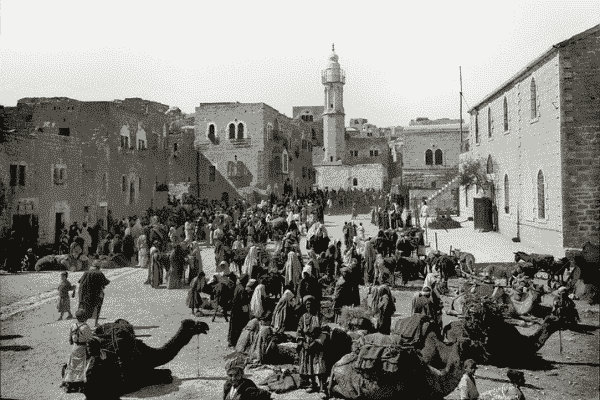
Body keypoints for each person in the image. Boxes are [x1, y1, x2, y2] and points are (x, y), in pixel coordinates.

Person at [296, 295, 327, 394]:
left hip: (317, 346)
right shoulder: (303, 318)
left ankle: (322, 386)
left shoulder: (320, 317)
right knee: (308, 365)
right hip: (307, 345)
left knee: (319, 365)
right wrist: (303, 343)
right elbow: (299, 332)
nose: (309, 306)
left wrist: (317, 342)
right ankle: (312, 384)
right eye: (307, 304)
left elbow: (325, 332)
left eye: (310, 304)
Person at [60, 309, 94, 393]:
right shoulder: (86, 327)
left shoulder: (73, 325)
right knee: (83, 365)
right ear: (85, 317)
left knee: (72, 365)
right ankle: (80, 384)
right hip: (83, 348)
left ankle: (69, 382)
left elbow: (70, 341)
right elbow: (90, 339)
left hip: (75, 348)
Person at [78, 262, 110, 327]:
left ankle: (83, 323)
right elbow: (106, 282)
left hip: (84, 294)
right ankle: (96, 323)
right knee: (98, 307)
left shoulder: (86, 272)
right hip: (95, 294)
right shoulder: (99, 273)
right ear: (98, 267)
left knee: (84, 308)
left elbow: (79, 281)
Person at [228, 274, 251, 348]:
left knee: (233, 326)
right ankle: (235, 342)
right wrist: (247, 314)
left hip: (234, 309)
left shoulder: (238, 287)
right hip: (239, 311)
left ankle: (231, 341)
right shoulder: (242, 290)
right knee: (238, 327)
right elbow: (243, 303)